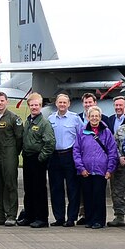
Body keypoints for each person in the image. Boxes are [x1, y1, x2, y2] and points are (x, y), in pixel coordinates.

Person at [74, 105, 118, 229]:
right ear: (88, 117)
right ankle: (89, 219)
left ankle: (99, 220)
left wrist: (110, 169)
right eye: (92, 116)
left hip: (101, 170)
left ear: (100, 117)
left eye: (96, 116)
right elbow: (76, 151)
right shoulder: (82, 131)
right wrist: (81, 168)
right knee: (87, 196)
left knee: (99, 196)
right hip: (86, 170)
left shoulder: (106, 132)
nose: (94, 118)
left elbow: (112, 151)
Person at [47, 93, 84, 227]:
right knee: (56, 188)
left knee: (72, 188)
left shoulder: (75, 119)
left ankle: (71, 218)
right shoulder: (50, 119)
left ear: (68, 104)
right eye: (60, 102)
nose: (62, 105)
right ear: (56, 104)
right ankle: (59, 217)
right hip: (55, 156)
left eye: (64, 102)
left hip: (70, 155)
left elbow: (82, 137)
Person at [19, 92, 53, 228]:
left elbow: (50, 143)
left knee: (39, 189)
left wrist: (41, 157)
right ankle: (29, 215)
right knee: (28, 188)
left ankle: (42, 218)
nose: (34, 107)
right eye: (32, 105)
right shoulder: (28, 121)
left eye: (37, 105)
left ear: (40, 106)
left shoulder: (44, 123)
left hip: (38, 158)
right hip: (27, 158)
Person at [0, 92, 22, 226]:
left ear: (6, 102)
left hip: (9, 154)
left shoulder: (14, 118)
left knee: (10, 184)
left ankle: (11, 215)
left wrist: (14, 153)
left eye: (2, 100)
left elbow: (20, 138)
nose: (0, 103)